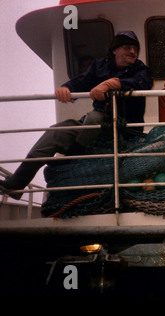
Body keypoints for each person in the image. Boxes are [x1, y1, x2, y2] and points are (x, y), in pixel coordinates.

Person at [0, 31, 153, 200]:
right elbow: (80, 81)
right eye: (127, 47)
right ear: (115, 50)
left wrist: (112, 83)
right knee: (57, 131)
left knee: (94, 118)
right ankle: (18, 182)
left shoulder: (140, 69)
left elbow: (144, 82)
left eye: (135, 49)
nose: (132, 52)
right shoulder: (99, 66)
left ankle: (72, 156)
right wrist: (65, 88)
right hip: (91, 126)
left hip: (124, 129)